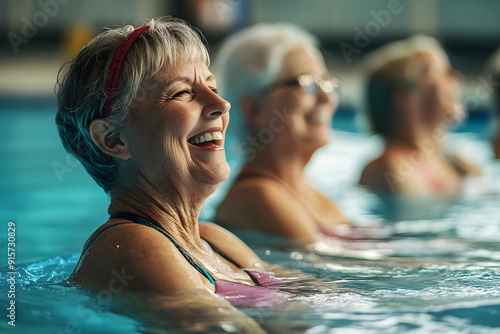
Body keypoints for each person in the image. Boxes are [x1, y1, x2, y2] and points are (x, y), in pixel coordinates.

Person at [55, 17, 286, 331]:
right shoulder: (131, 246)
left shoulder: (213, 240)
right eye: (182, 94)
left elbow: (323, 301)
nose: (221, 104)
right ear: (113, 139)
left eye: (213, 86)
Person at [214, 23, 351, 246]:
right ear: (254, 108)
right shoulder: (257, 196)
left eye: (326, 83)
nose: (327, 97)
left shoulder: (310, 193)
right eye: (307, 83)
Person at [358, 36, 481, 197]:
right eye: (444, 73)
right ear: (404, 97)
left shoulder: (456, 162)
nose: (456, 78)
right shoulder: (387, 170)